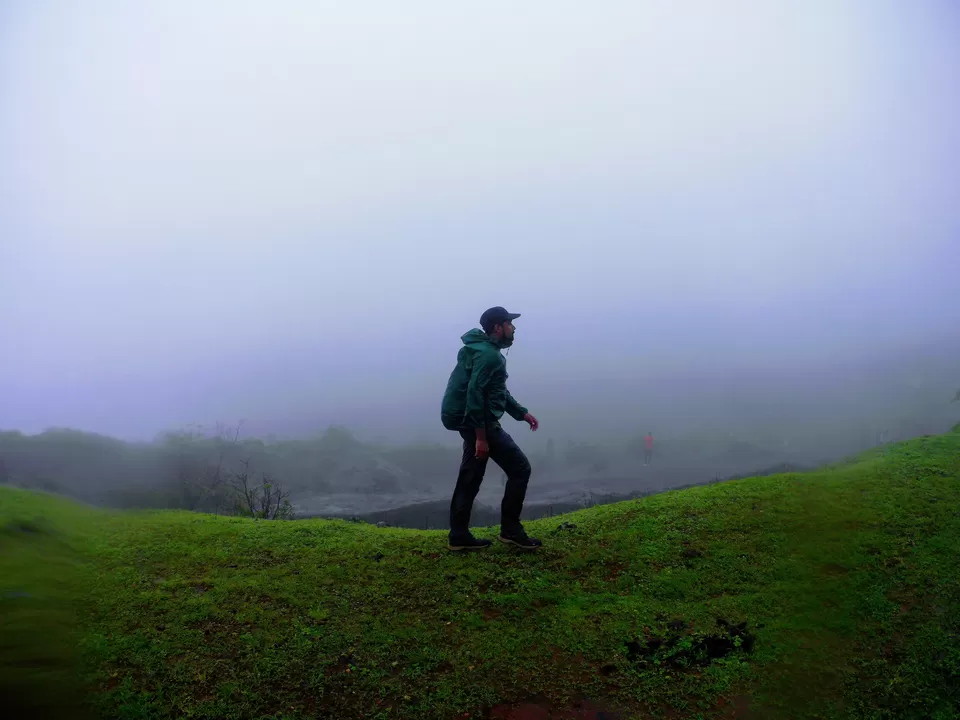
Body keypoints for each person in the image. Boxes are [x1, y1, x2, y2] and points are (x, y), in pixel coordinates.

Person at [441, 307, 542, 551]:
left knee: (470, 477)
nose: (514, 328)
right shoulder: (490, 356)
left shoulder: (480, 349)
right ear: (498, 327)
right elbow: (476, 393)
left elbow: (496, 390)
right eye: (510, 323)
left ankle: (459, 535)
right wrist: (481, 438)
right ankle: (511, 531)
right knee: (520, 468)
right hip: (479, 422)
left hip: (467, 420)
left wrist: (521, 413)